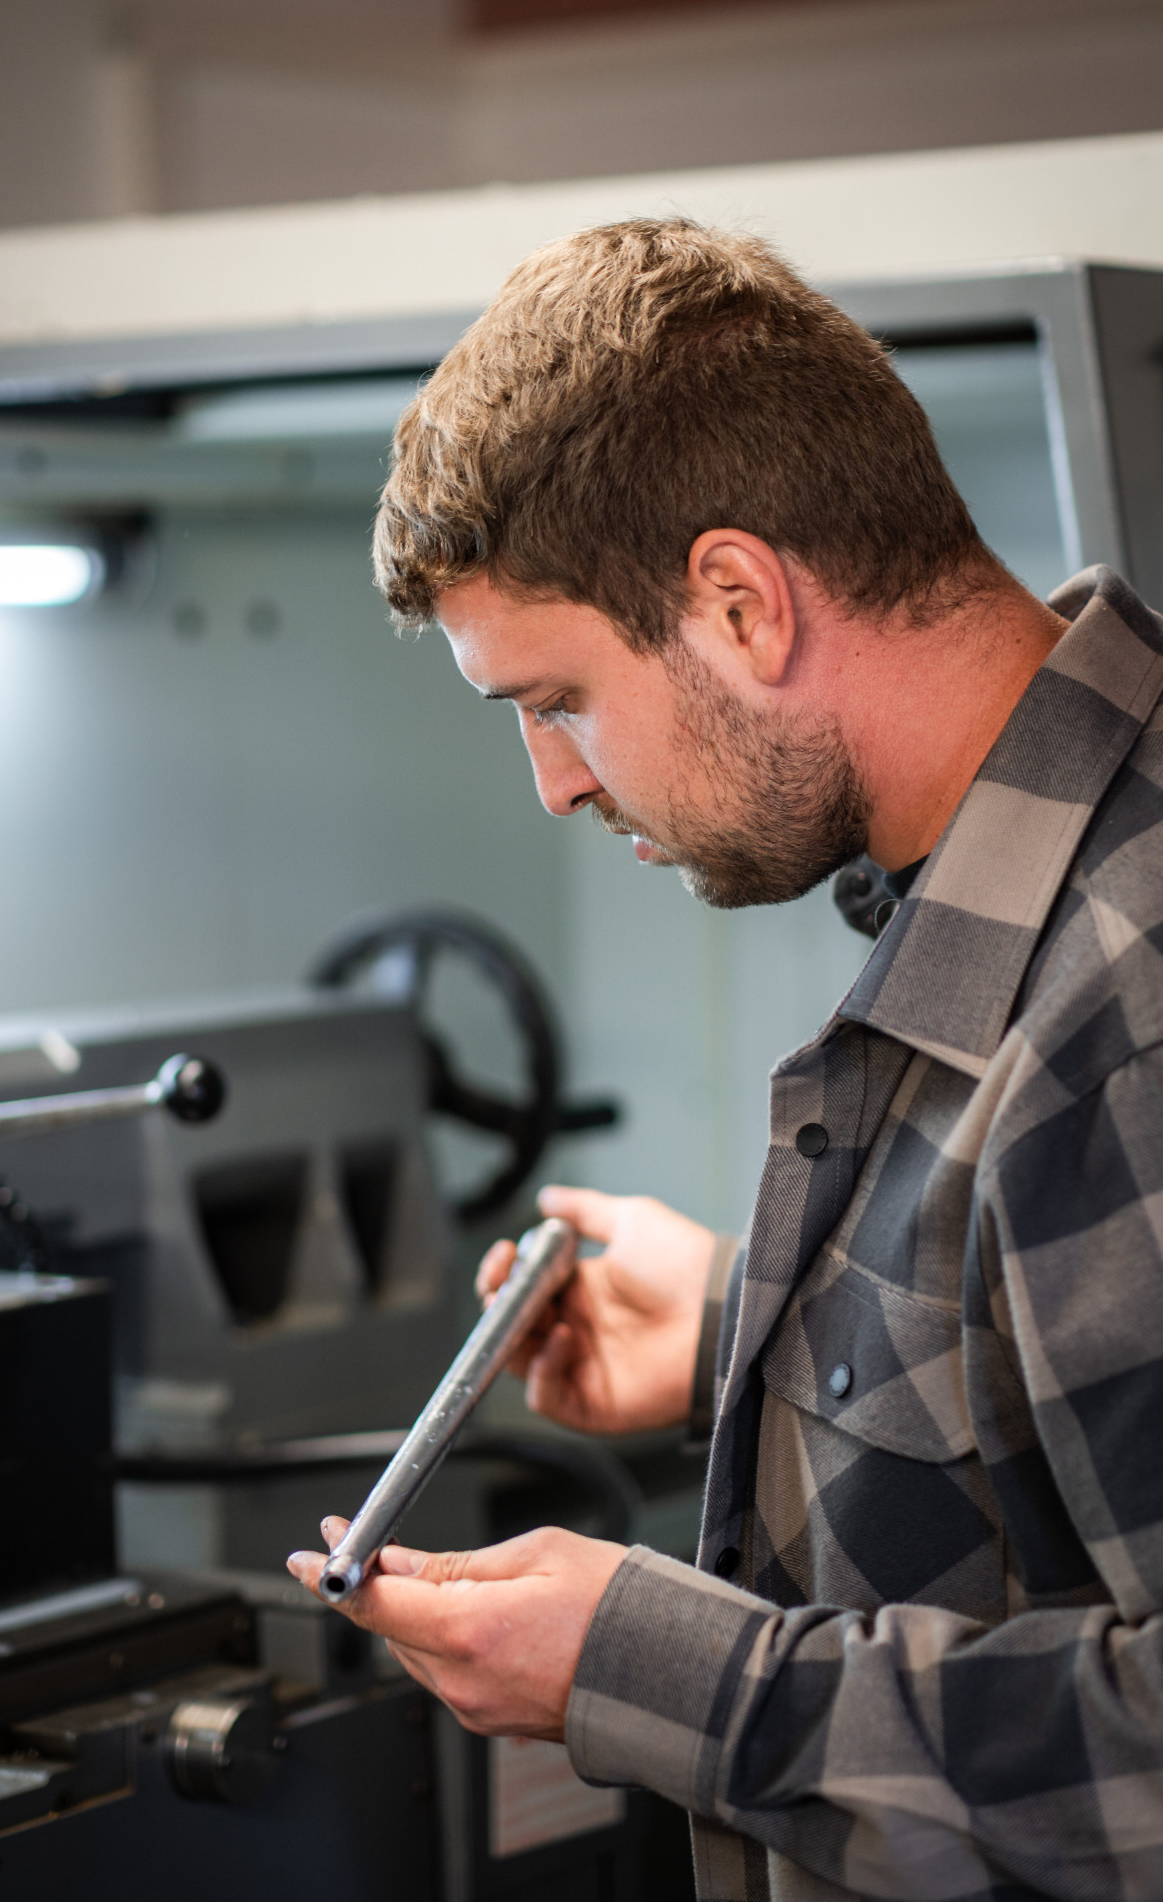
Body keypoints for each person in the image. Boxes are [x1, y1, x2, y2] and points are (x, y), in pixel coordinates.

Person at [287, 219, 1163, 1901]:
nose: (554, 782)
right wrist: (738, 1340)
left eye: (556, 699)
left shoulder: (1127, 995)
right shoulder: (1012, 895)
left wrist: (664, 1677)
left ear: (741, 604)